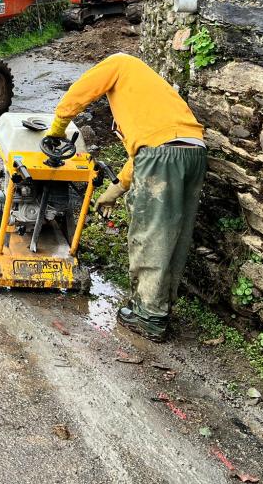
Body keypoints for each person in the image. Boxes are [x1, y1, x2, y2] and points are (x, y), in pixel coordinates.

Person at [47, 53, 206, 341]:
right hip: (194, 153)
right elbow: (148, 148)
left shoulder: (119, 63)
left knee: (151, 235)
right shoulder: (151, 94)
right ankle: (158, 305)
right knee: (175, 235)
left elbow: (81, 92)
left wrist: (58, 127)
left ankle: (150, 317)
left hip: (163, 156)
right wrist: (117, 188)